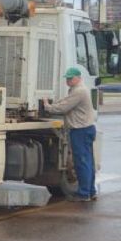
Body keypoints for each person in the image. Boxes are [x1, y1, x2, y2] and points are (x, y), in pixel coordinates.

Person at [42, 66, 97, 202]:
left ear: (78, 78)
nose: (68, 81)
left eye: (70, 78)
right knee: (88, 162)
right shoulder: (77, 90)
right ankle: (91, 191)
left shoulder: (79, 91)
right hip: (86, 129)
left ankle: (84, 194)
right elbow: (65, 101)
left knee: (82, 162)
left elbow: (63, 107)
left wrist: (48, 106)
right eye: (67, 78)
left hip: (80, 130)